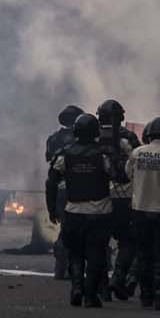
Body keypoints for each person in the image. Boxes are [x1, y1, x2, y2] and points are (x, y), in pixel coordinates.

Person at [46, 113, 119, 307]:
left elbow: (51, 182)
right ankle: (90, 295)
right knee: (95, 255)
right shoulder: (103, 154)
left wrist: (51, 209)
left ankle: (76, 287)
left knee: (76, 253)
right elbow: (118, 176)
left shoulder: (65, 154)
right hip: (99, 213)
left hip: (73, 212)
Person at [127, 117, 160, 310]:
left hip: (140, 209)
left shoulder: (137, 153)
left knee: (144, 254)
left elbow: (128, 175)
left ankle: (146, 295)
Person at [96, 99, 139, 300]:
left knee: (99, 244)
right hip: (124, 198)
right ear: (122, 117)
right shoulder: (128, 137)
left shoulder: (90, 136)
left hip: (98, 197)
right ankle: (118, 279)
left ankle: (102, 288)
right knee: (128, 242)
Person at [45, 105, 84, 280]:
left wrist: (51, 207)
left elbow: (49, 162)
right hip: (81, 189)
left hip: (60, 190)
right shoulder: (82, 138)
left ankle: (60, 268)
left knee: (65, 228)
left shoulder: (53, 139)